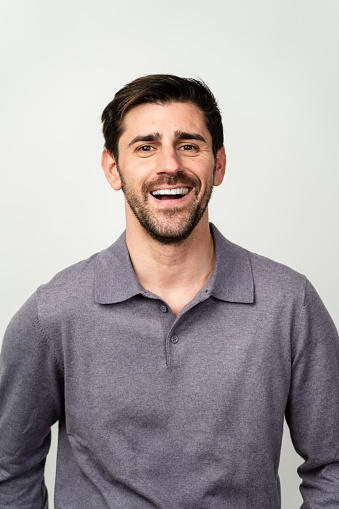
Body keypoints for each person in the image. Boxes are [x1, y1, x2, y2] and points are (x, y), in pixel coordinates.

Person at [0, 74, 338, 509]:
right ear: (112, 168)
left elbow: (332, 465)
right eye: (145, 147)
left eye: (189, 145)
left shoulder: (290, 304)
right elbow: (9, 467)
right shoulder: (55, 312)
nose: (170, 165)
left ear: (217, 164)